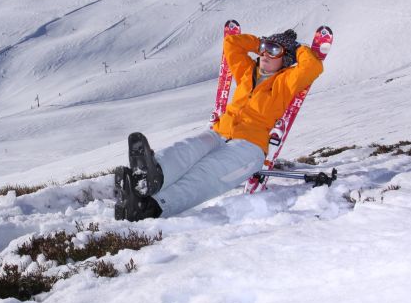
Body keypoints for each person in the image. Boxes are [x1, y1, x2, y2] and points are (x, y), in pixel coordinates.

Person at [114, 29, 324, 221]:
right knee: (187, 149)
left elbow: (313, 66)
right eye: (263, 49)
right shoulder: (247, 73)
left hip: (249, 147)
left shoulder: (285, 82)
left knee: (206, 174)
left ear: (285, 59)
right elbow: (231, 43)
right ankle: (149, 177)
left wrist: (297, 49)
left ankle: (149, 207)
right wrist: (259, 42)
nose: (265, 54)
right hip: (220, 132)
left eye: (274, 50)